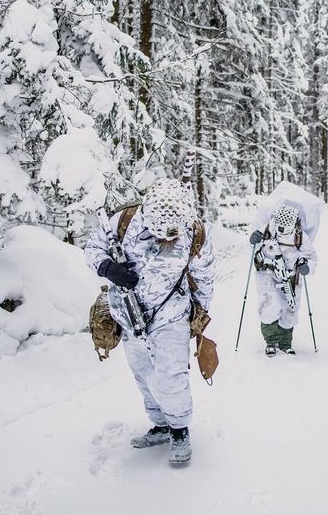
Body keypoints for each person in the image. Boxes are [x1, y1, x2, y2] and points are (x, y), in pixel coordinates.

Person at [85, 178, 214, 465]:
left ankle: (179, 430)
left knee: (171, 375)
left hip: (172, 314)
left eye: (172, 235)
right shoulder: (122, 221)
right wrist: (109, 269)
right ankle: (161, 424)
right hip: (128, 315)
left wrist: (201, 313)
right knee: (143, 373)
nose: (167, 240)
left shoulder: (195, 231)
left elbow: (204, 275)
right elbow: (92, 249)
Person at [249, 202, 318, 356]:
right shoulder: (268, 229)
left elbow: (311, 257)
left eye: (285, 227)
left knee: (290, 309)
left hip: (291, 277)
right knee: (268, 307)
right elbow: (254, 246)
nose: (281, 229)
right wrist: (253, 239)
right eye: (279, 225)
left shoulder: (300, 236)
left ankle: (285, 343)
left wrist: (307, 266)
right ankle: (271, 342)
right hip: (267, 274)